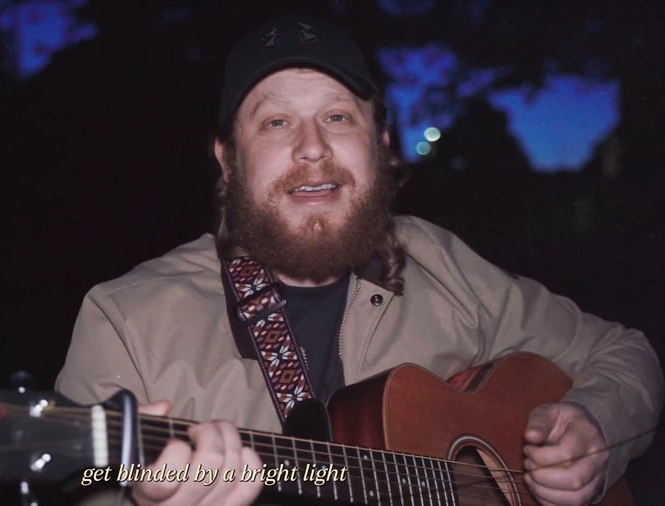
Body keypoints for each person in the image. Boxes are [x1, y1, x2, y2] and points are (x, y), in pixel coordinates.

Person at [56, 11, 663, 506]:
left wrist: (595, 429)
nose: (312, 148)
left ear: (380, 142)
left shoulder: (440, 262)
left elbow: (625, 352)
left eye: (338, 116)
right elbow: (80, 487)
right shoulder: (125, 321)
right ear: (228, 159)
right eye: (276, 122)